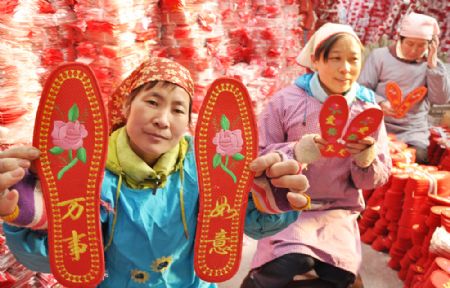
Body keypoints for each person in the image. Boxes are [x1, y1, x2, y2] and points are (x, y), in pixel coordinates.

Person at [0, 57, 311, 288]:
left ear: (188, 122)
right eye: (152, 102)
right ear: (125, 107)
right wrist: (24, 210)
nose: (163, 119)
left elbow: (242, 222)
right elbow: (59, 256)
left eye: (178, 110)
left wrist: (272, 201)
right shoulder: (89, 173)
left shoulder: (206, 168)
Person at [240, 23, 392, 288]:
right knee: (292, 261)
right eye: (335, 59)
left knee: (340, 275)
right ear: (315, 60)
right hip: (290, 207)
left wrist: (365, 160)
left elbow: (374, 180)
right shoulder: (286, 102)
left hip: (338, 210)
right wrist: (296, 151)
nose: (345, 68)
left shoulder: (367, 110)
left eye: (353, 59)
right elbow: (258, 157)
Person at [358, 12, 450, 164]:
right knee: (372, 161)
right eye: (410, 44)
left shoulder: (433, 66)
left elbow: (440, 99)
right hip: (379, 125)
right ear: (399, 38)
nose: (414, 50)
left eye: (421, 45)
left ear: (431, 44)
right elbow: (362, 89)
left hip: (413, 130)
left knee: (418, 158)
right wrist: (380, 102)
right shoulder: (379, 57)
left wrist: (433, 67)